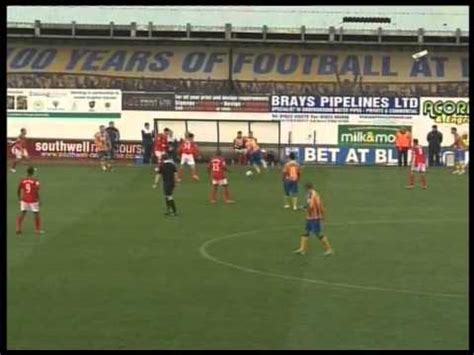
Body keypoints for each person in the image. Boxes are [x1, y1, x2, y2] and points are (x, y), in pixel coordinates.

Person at [293, 182, 333, 256]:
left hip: (315, 218)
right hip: (310, 217)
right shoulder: (310, 194)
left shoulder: (314, 195)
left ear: (307, 188)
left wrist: (304, 208)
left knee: (318, 234)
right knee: (306, 232)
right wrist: (305, 207)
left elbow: (312, 206)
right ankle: (302, 249)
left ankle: (329, 249)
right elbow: (310, 205)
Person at [16, 166, 44, 235]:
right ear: (33, 172)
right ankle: (37, 230)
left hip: (24, 199)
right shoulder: (35, 181)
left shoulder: (23, 180)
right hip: (33, 200)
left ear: (27, 172)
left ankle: (18, 228)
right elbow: (36, 190)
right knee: (36, 214)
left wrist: (19, 198)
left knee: (22, 213)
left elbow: (18, 189)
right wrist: (39, 199)